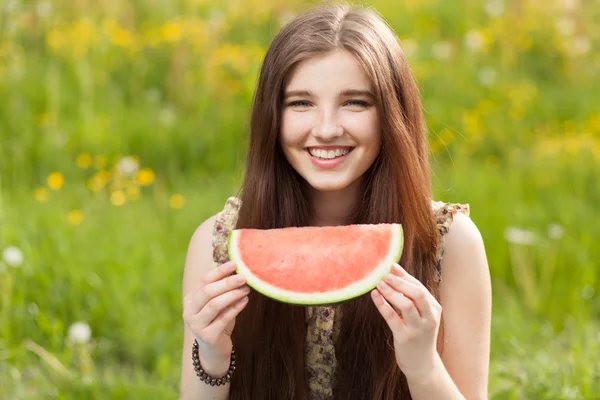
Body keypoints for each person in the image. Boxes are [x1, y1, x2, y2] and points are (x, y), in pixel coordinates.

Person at [180, 3, 491, 399]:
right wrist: (212, 358)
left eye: (355, 102)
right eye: (300, 103)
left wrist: (422, 367)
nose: (326, 129)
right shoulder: (219, 243)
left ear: (392, 115)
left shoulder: (450, 243)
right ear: (271, 117)